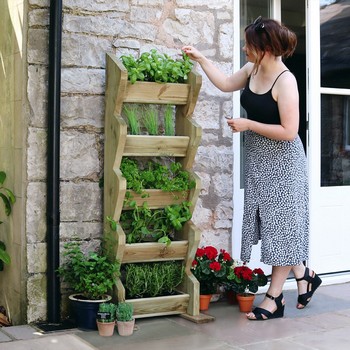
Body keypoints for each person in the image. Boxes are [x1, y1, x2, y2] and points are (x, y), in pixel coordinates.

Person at [182, 16, 322, 321]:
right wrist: (202, 57)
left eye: (249, 45)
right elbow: (224, 83)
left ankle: (274, 299)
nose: (245, 49)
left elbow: (289, 130)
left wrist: (248, 125)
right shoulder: (252, 69)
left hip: (284, 163)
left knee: (280, 229)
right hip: (260, 161)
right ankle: (304, 275)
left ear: (267, 48)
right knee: (272, 224)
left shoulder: (285, 81)